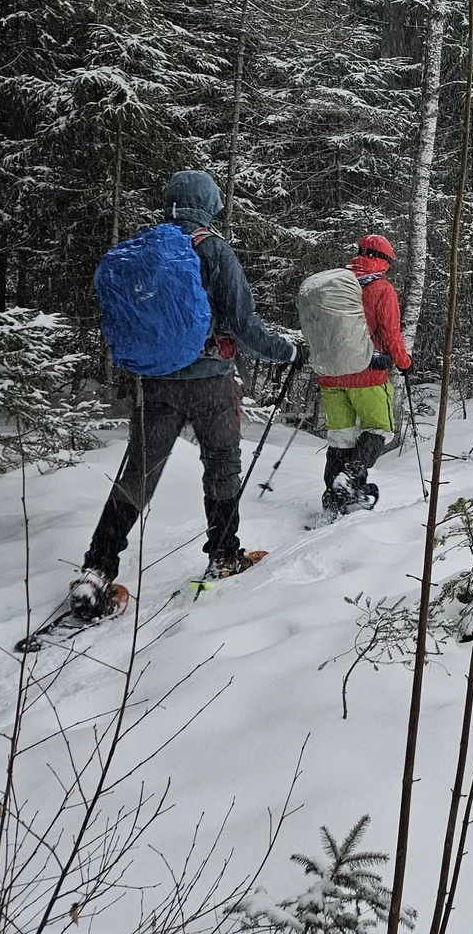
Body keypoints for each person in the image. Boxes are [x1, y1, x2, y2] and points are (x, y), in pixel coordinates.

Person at [73, 171, 302, 618]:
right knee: (221, 464)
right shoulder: (213, 248)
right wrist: (286, 350)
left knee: (139, 472)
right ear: (210, 202)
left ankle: (97, 570)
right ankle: (223, 554)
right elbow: (243, 324)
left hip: (157, 380)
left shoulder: (147, 249)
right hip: (210, 380)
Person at [317, 234, 413, 515]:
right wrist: (404, 363)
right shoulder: (381, 289)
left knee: (341, 437)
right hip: (367, 374)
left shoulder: (335, 285)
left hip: (330, 375)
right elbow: (391, 334)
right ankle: (351, 478)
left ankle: (333, 497)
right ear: (383, 260)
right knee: (380, 428)